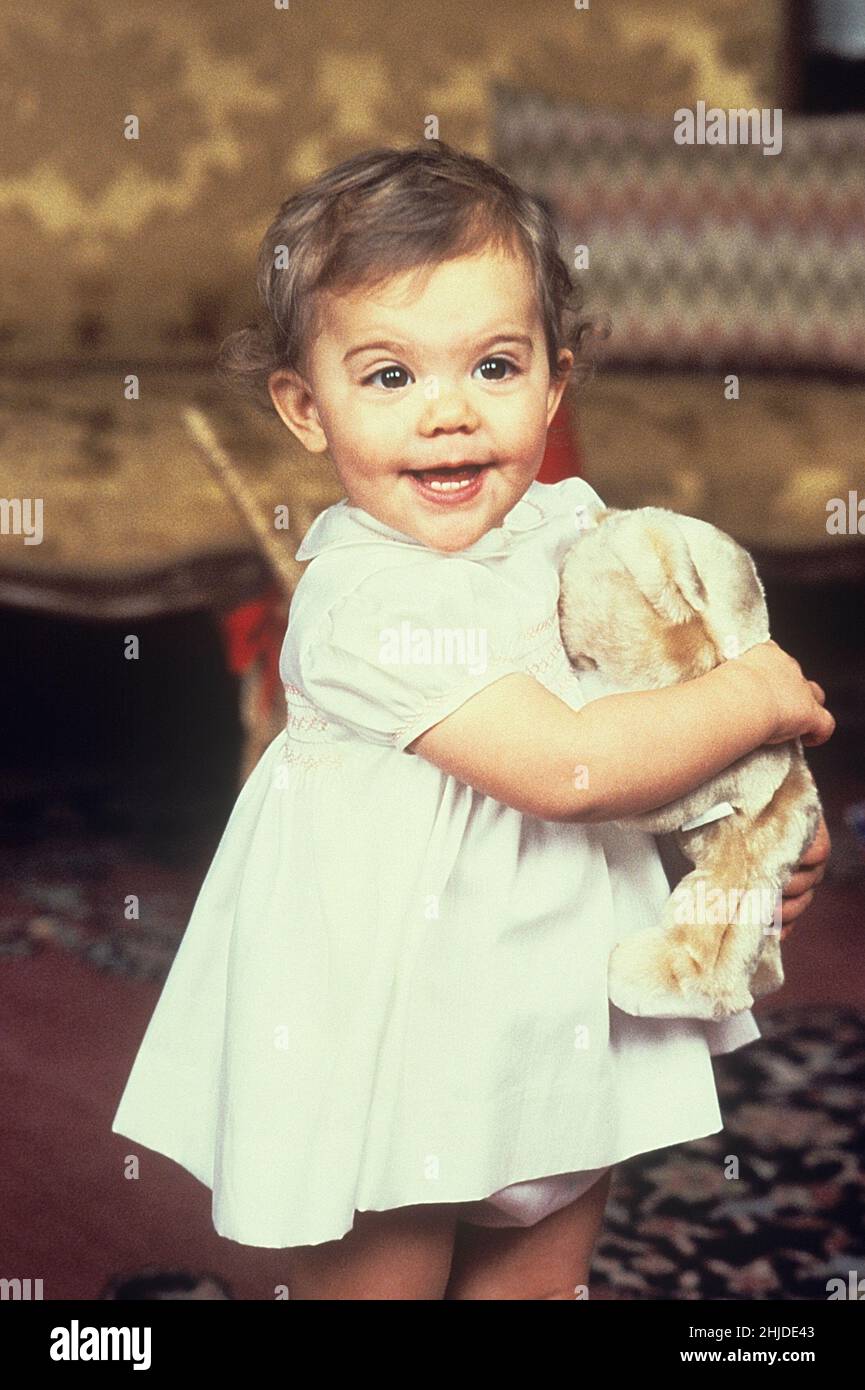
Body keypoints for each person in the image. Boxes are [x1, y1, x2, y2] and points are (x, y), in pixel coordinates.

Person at [111, 140, 832, 1300]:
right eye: (389, 376)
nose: (447, 413)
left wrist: (754, 831)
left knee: (538, 1287)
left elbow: (646, 720)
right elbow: (572, 766)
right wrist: (749, 695)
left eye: (493, 366)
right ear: (306, 406)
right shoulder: (364, 599)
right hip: (387, 1041)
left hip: (553, 1014)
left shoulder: (572, 537)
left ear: (554, 385)